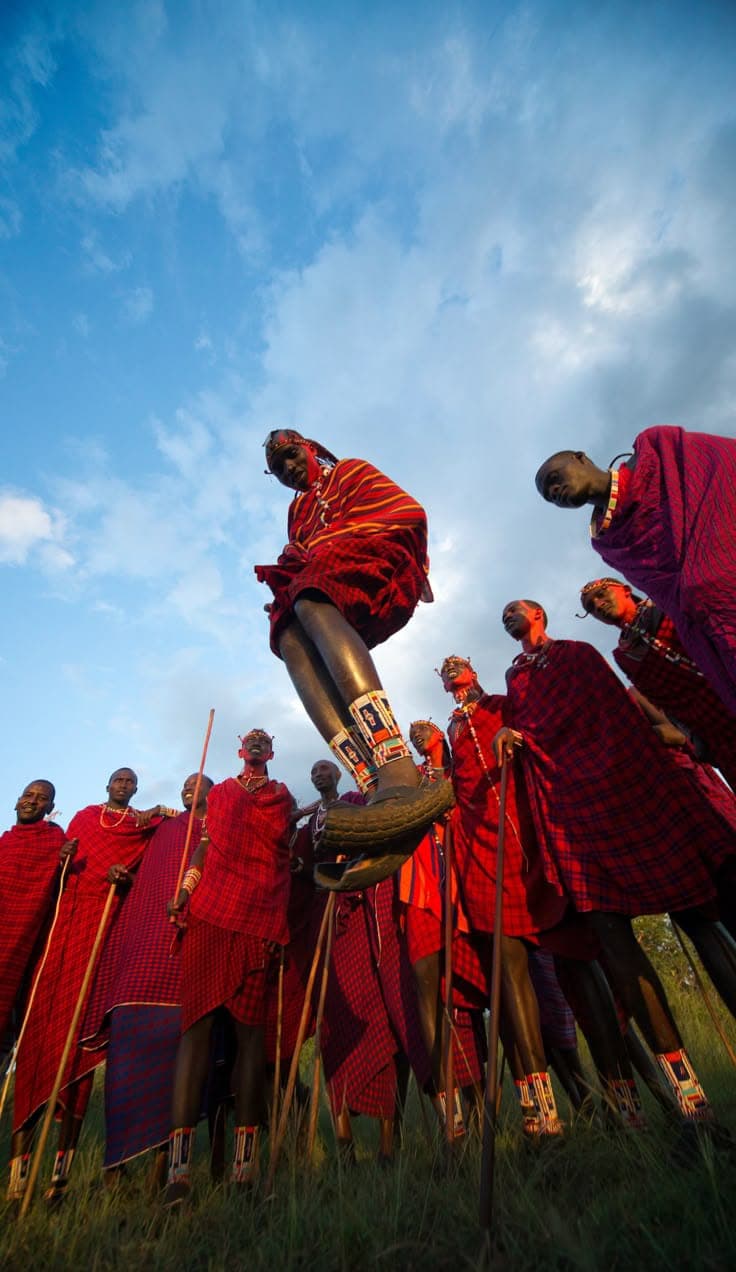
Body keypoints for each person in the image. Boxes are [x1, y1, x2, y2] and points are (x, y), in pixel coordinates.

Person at [497, 599, 736, 1130]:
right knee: (613, 942)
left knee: (699, 917)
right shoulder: (515, 681)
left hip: (628, 790)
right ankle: (690, 1104)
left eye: (515, 609)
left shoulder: (580, 654)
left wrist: (654, 763)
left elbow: (618, 714)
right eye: (502, 615)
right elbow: (529, 729)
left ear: (539, 616)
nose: (507, 617)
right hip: (571, 807)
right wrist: (510, 736)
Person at [440, 655, 642, 1134]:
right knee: (510, 979)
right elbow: (454, 787)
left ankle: (626, 1104)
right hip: (483, 850)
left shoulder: (503, 704)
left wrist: (518, 737)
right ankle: (541, 1116)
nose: (449, 670)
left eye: (457, 663)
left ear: (473, 669)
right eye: (443, 668)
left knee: (579, 962)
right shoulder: (452, 731)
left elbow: (539, 733)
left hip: (531, 835)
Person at [254, 429, 453, 889]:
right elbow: (304, 556)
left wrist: (318, 553)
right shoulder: (298, 511)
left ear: (312, 448)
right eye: (278, 468)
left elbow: (405, 511)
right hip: (327, 578)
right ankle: (371, 782)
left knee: (308, 595)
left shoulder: (349, 470)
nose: (287, 469)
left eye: (290, 455)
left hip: (380, 556)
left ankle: (396, 762)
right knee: (286, 632)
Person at [9, 769, 166, 1205]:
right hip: (61, 939)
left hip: (101, 937)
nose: (122, 785)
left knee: (77, 1046)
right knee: (39, 1040)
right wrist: (62, 862)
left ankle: (60, 1176)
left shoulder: (144, 828)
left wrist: (127, 879)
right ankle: (18, 1178)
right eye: (117, 779)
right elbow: (56, 878)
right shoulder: (81, 819)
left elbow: (154, 875)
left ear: (136, 790)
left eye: (130, 782)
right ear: (107, 785)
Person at [164, 731, 293, 1203]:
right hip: (211, 912)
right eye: (250, 741)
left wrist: (278, 919)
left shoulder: (281, 796)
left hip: (259, 916)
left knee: (250, 1041)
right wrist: (186, 888)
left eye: (264, 742)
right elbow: (204, 845)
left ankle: (244, 1169)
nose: (256, 747)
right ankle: (178, 1176)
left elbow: (282, 860)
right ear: (240, 751)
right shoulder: (220, 794)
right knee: (195, 1030)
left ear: (271, 753)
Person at [535, 426, 736, 716]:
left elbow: (724, 469)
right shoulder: (608, 542)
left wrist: (707, 568)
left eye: (554, 479)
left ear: (581, 458)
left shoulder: (658, 452)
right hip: (714, 631)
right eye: (549, 497)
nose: (554, 492)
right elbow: (669, 594)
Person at [302, 759, 430, 1164]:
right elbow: (305, 869)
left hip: (367, 918)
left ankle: (389, 1144)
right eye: (315, 771)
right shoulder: (308, 823)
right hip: (330, 926)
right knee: (334, 1026)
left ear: (340, 776)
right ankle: (343, 1143)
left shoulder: (359, 801)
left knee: (383, 1023)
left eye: (327, 769)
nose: (321, 774)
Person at [89, 773, 213, 1190]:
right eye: (185, 784)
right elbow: (126, 834)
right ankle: (113, 1169)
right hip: (141, 951)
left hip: (189, 950)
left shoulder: (217, 830)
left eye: (199, 783)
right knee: (126, 1059)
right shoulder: (160, 826)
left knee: (180, 1060)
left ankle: (167, 1168)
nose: (188, 788)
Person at [578, 577, 736, 791]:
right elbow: (664, 704)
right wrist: (693, 738)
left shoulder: (666, 605)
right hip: (714, 733)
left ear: (625, 590)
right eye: (590, 607)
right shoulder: (624, 655)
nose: (597, 605)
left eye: (601, 594)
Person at [0, 782, 72, 1059]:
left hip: (19, 946)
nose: (32, 801)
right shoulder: (5, 841)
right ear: (17, 801)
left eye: (42, 799)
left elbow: (63, 889)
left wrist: (64, 862)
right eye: (28, 795)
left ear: (50, 808)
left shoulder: (55, 842)